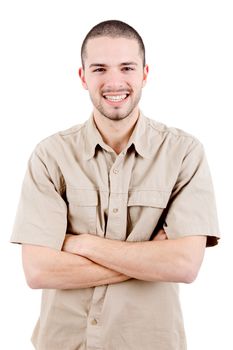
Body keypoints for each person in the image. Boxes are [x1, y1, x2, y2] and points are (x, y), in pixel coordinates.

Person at [11, 19, 220, 350]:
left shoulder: (184, 153)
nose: (114, 81)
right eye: (99, 69)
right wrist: (149, 257)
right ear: (83, 77)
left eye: (126, 67)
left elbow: (184, 264)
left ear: (144, 74)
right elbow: (38, 271)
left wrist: (81, 244)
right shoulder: (50, 156)